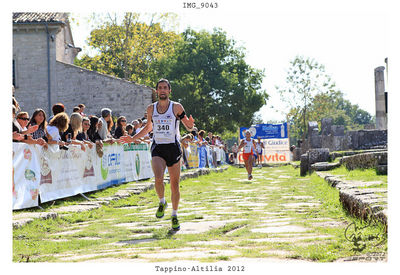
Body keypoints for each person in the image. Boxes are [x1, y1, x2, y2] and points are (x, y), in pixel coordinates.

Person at [120, 78, 195, 231]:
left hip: (173, 147)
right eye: (159, 88)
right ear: (156, 91)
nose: (162, 90)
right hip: (158, 147)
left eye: (165, 88)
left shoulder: (176, 107)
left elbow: (188, 126)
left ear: (169, 91)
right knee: (158, 178)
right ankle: (162, 201)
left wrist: (191, 125)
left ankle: (174, 215)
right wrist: (133, 138)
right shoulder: (151, 109)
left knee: (174, 184)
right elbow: (148, 127)